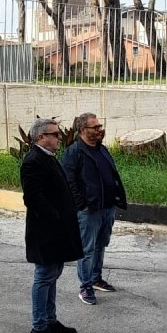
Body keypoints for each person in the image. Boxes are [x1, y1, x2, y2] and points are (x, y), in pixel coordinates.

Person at [20, 118, 84, 333]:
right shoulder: (33, 161)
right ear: (41, 138)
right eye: (55, 134)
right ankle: (39, 327)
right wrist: (55, 218)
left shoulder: (48, 158)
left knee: (52, 275)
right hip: (45, 232)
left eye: (59, 134)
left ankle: (50, 320)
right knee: (44, 276)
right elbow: (33, 198)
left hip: (58, 230)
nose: (60, 138)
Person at [62, 112, 127, 306]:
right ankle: (85, 287)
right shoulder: (74, 152)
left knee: (101, 245)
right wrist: (81, 204)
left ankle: (96, 279)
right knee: (87, 249)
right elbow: (69, 181)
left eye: (99, 126)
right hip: (88, 211)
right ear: (83, 130)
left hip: (107, 207)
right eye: (95, 127)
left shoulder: (101, 149)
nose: (100, 129)